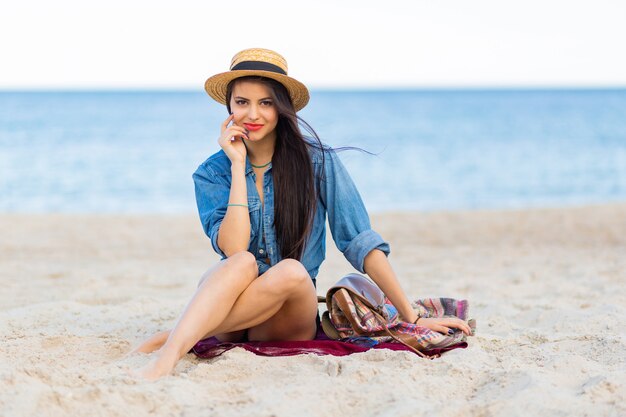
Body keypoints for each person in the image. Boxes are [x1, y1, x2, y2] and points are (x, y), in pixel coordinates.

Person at [133, 48, 472, 379]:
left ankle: (177, 338)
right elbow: (234, 249)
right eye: (242, 102)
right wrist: (238, 167)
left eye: (265, 103)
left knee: (292, 271)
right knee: (242, 263)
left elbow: (359, 241)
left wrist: (410, 316)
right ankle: (171, 354)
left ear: (283, 108)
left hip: (284, 314)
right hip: (234, 302)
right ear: (229, 108)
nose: (253, 114)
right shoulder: (212, 173)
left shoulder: (318, 162)